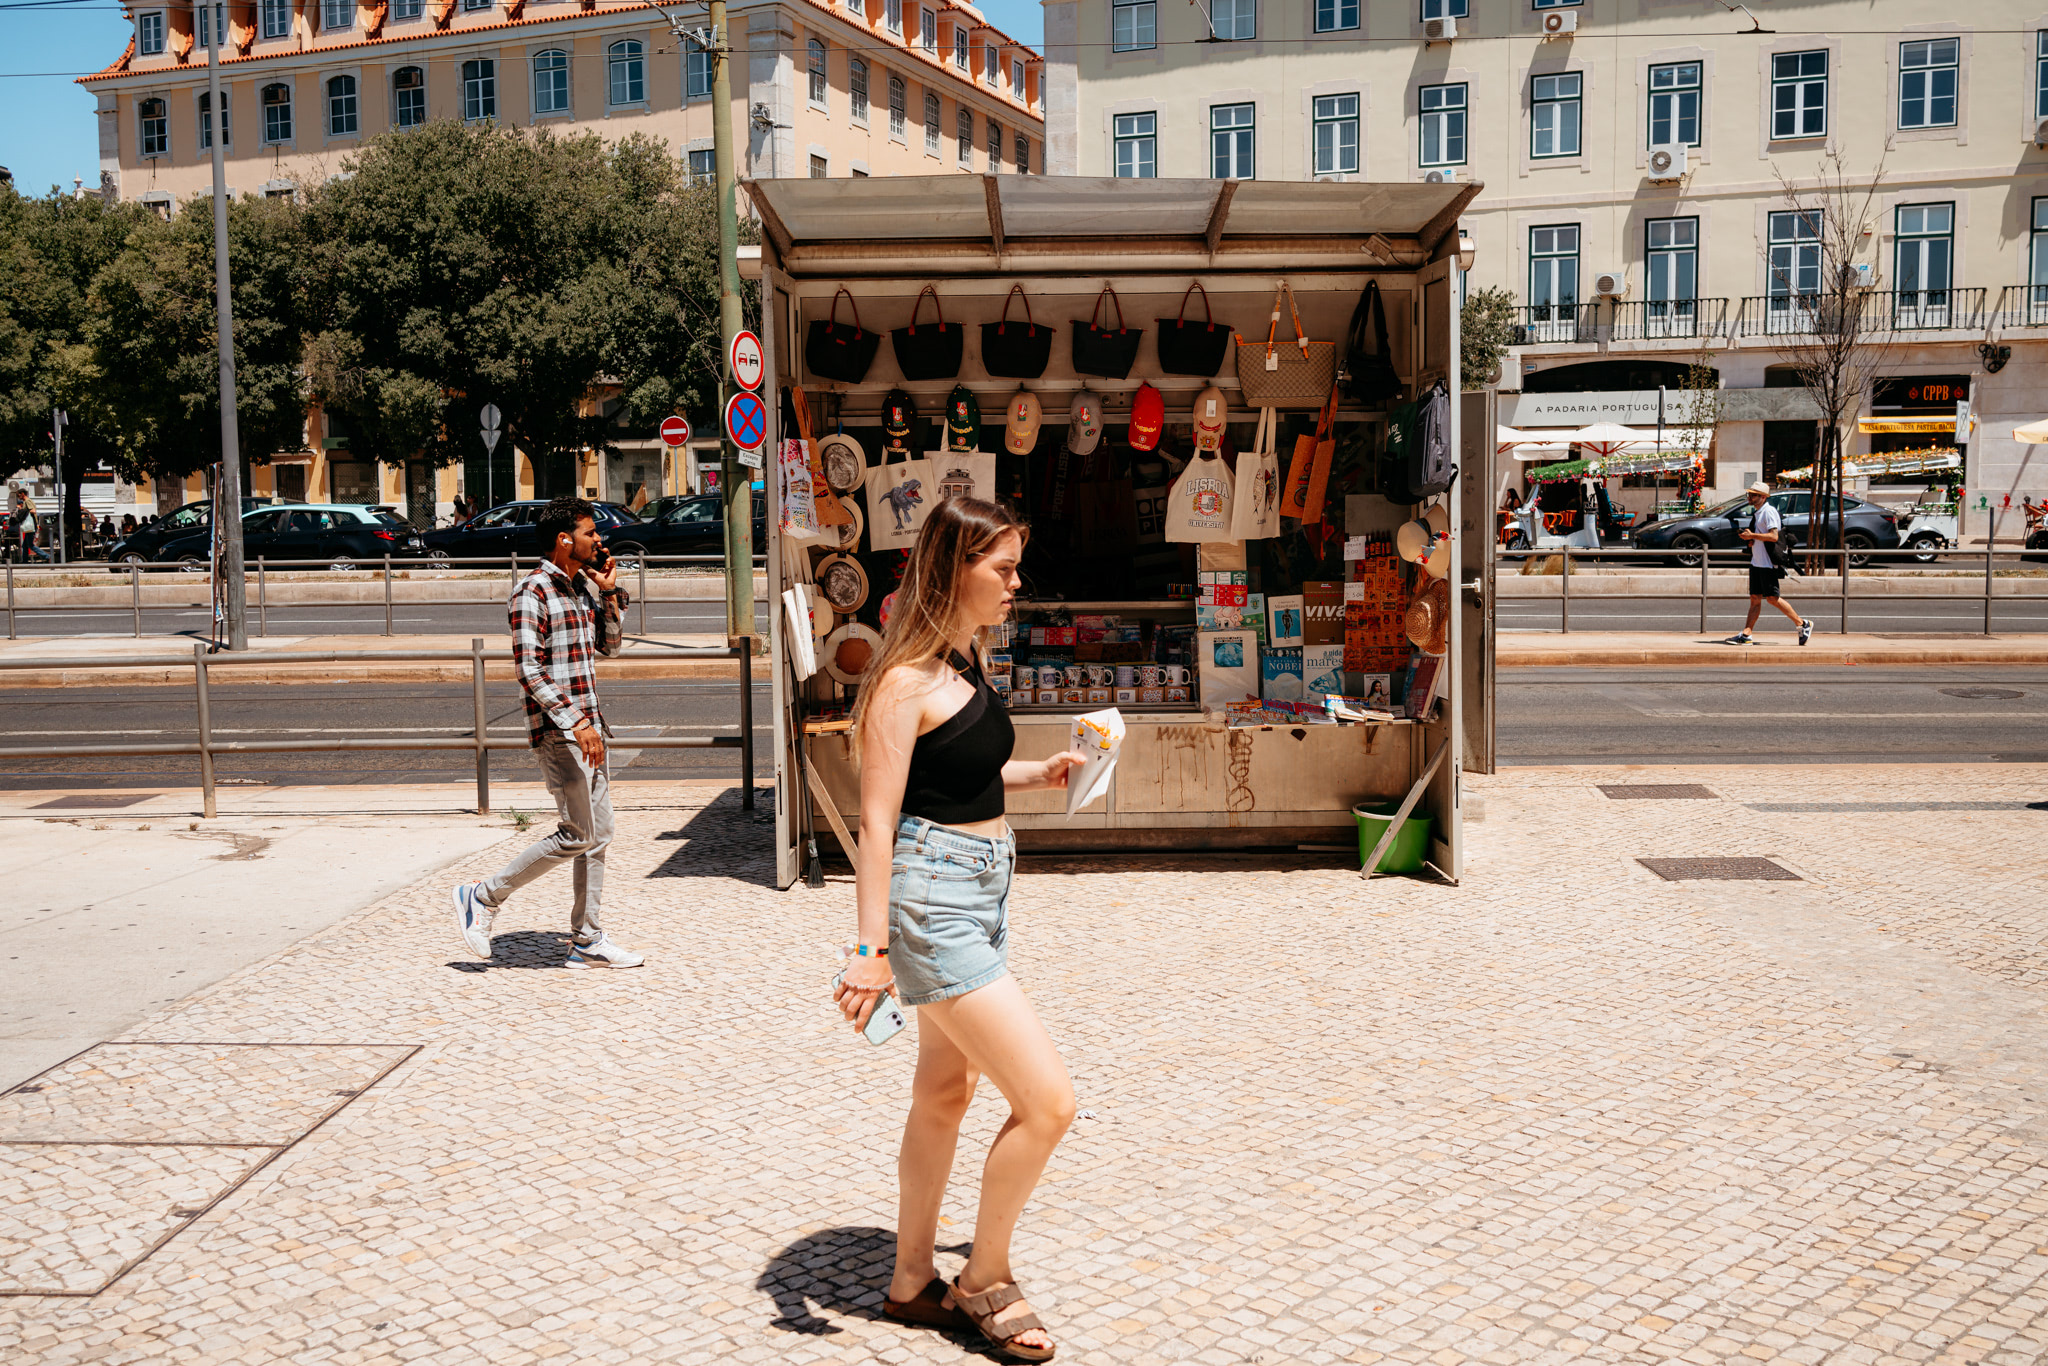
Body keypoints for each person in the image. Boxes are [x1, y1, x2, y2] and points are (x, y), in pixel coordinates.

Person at [835, 496, 1087, 1364]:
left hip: (979, 893)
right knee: (1049, 1103)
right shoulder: (902, 681)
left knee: (945, 1094)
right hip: (932, 904)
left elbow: (960, 777)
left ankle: (911, 1280)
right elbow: (877, 821)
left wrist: (1035, 772)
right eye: (1004, 569)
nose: (1018, 584)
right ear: (953, 571)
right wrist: (868, 954)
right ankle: (984, 1274)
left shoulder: (959, 664)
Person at [449, 496, 643, 968]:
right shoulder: (531, 592)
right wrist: (574, 720)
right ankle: (483, 896)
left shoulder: (579, 589)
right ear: (564, 539)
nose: (599, 539)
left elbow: (609, 647)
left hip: (590, 729)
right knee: (578, 834)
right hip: (561, 733)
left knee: (599, 836)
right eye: (590, 533)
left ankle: (587, 940)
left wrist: (611, 595)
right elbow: (528, 670)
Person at [1724, 480, 1812, 646]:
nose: (1750, 497)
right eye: (1749, 494)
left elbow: (1774, 536)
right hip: (1757, 562)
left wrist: (1753, 536)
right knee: (1755, 598)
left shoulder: (1769, 511)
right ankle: (1746, 634)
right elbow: (1761, 536)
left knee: (1772, 598)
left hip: (1768, 564)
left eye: (1754, 495)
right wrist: (1750, 541)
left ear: (1763, 497)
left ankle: (1802, 624)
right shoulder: (1758, 513)